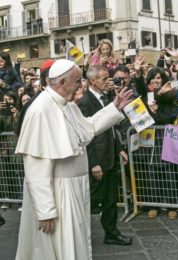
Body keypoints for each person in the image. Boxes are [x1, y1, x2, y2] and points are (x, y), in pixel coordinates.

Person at [15, 59, 133, 259]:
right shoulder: (40, 110)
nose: (81, 85)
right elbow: (36, 167)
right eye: (78, 81)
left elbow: (88, 128)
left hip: (73, 190)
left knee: (74, 245)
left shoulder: (67, 105)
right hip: (58, 194)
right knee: (56, 248)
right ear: (62, 83)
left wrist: (114, 108)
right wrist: (45, 211)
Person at [78, 65, 131, 246]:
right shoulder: (85, 102)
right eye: (103, 79)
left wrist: (119, 150)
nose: (107, 81)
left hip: (109, 157)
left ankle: (111, 232)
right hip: (97, 161)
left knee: (110, 200)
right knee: (91, 200)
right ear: (92, 81)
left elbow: (110, 128)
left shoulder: (107, 98)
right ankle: (78, 233)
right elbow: (87, 135)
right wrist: (93, 163)